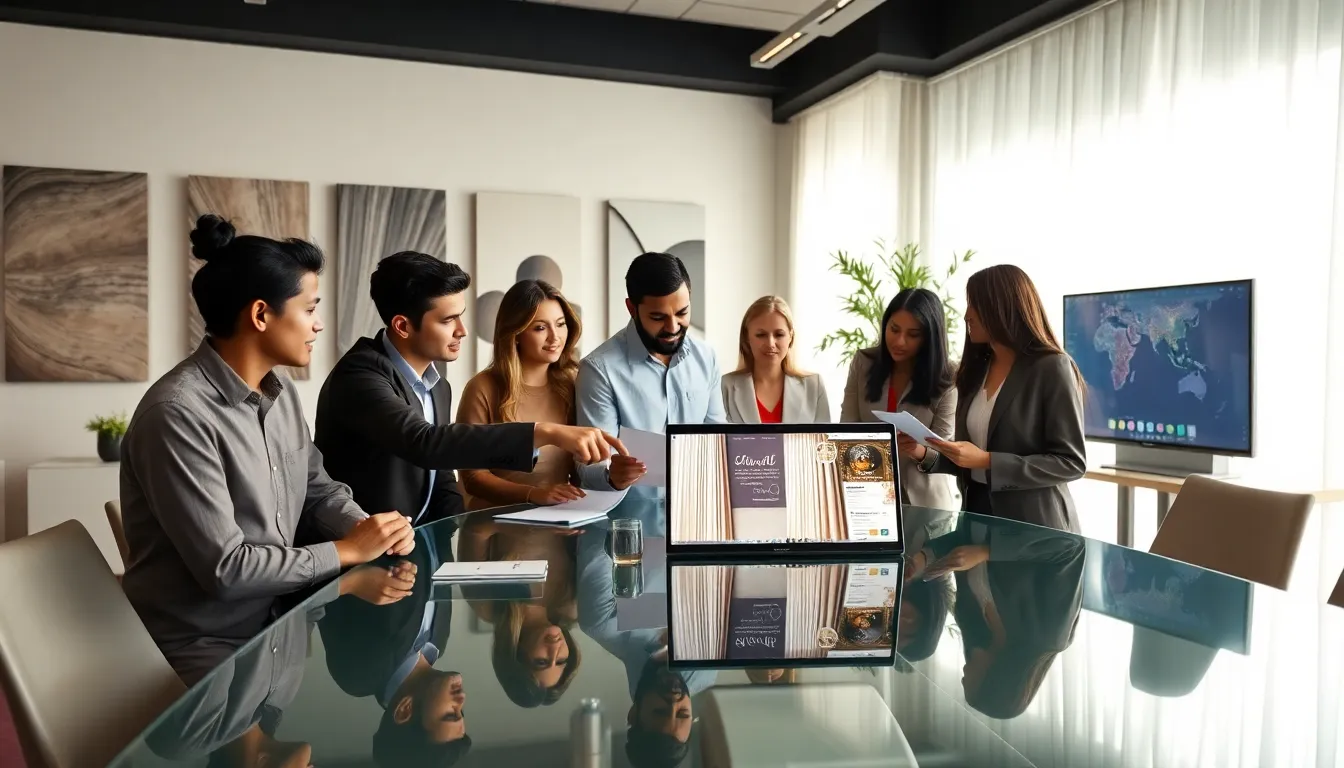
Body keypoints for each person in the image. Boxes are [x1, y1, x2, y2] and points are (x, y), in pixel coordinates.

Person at [120, 215, 415, 685]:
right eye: (310, 308)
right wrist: (346, 551)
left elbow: (317, 489)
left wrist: (364, 527)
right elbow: (228, 570)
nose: (319, 325)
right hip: (209, 650)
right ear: (261, 315)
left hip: (279, 624)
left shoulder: (279, 394)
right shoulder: (177, 415)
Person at [315, 252, 627, 526]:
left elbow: (440, 478)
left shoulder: (437, 385)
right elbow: (424, 443)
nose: (462, 331)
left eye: (461, 317)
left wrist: (452, 535)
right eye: (448, 320)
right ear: (403, 326)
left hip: (412, 552)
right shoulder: (360, 376)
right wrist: (545, 432)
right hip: (360, 559)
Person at [911, 264, 1087, 531]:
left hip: (1035, 534)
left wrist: (988, 461)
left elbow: (1070, 462)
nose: (966, 314)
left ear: (1003, 307)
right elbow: (968, 458)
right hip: (977, 521)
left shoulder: (1052, 367)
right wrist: (921, 452)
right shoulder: (974, 370)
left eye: (975, 304)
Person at [457, 279, 632, 508]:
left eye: (560, 324)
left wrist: (612, 473)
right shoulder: (482, 388)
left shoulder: (572, 383)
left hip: (560, 524)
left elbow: (581, 471)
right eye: (540, 328)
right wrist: (533, 494)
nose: (555, 337)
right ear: (516, 333)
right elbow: (473, 478)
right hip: (494, 527)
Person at [576, 252, 726, 491]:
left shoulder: (707, 358)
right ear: (631, 308)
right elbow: (588, 466)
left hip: (697, 510)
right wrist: (610, 475)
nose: (673, 327)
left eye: (682, 313)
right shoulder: (599, 370)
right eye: (658, 317)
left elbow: (718, 440)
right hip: (630, 521)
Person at [843, 288, 958, 509]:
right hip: (868, 494)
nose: (899, 341)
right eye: (894, 329)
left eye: (913, 335)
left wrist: (918, 451)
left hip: (924, 502)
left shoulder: (948, 377)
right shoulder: (863, 362)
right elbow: (848, 428)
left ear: (929, 338)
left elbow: (946, 454)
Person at [720, 296, 830, 423]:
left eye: (779, 334)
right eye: (761, 335)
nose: (771, 343)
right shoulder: (725, 387)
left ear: (791, 337)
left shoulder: (813, 386)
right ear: (746, 338)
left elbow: (822, 441)